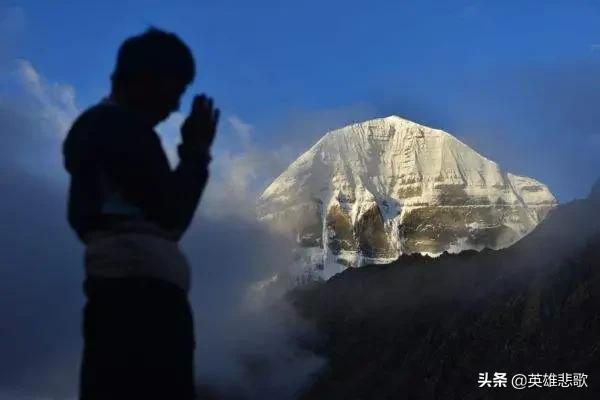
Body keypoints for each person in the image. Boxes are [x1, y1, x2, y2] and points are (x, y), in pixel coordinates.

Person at [62, 27, 219, 399]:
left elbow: (165, 218)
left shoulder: (107, 131)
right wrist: (195, 153)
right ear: (144, 80)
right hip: (141, 303)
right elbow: (170, 215)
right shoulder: (116, 128)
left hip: (130, 294)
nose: (175, 105)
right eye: (173, 90)